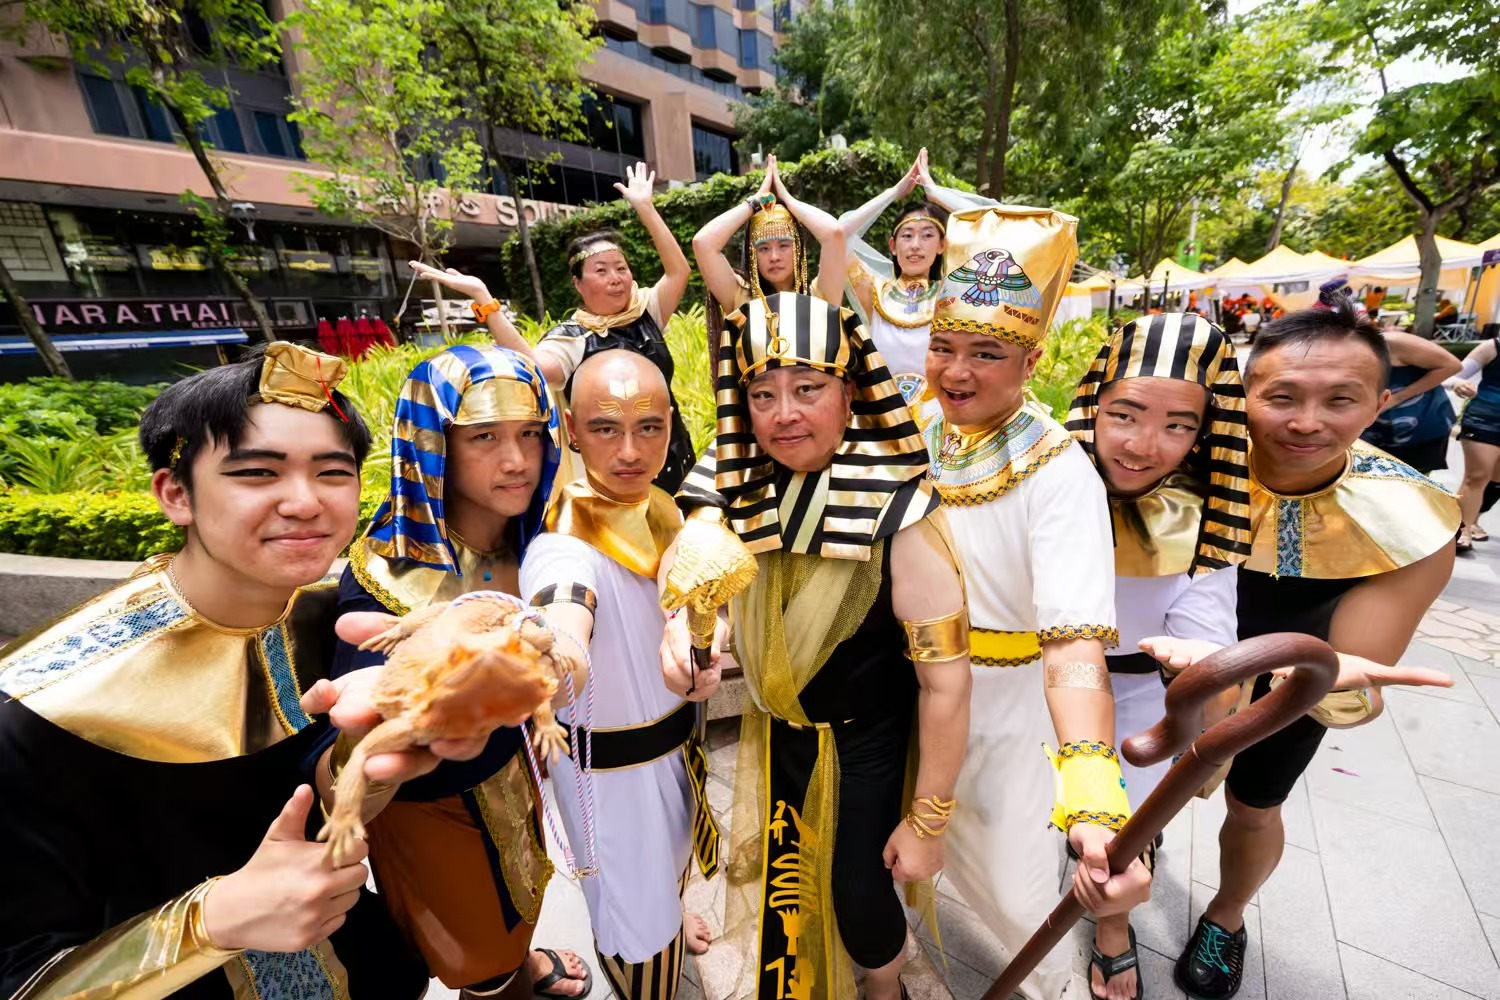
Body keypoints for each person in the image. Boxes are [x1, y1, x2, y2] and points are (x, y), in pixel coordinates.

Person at [0, 344, 436, 998]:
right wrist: (209, 922)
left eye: (332, 472)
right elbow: (25, 979)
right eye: (257, 473)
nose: (305, 502)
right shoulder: (37, 707)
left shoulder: (337, 619)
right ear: (175, 494)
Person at [666, 290, 975, 1000]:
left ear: (850, 393)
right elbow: (694, 563)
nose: (784, 414)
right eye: (763, 394)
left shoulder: (902, 512)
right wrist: (683, 627)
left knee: (858, 895)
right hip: (780, 731)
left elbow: (948, 682)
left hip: (867, 740)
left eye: (808, 389)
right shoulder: (737, 483)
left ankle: (885, 988)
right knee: (789, 879)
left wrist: (928, 820)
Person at [1152, 301, 1458, 1000]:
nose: (1306, 422)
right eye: (1282, 397)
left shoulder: (1413, 520)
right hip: (1157, 653)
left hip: (1289, 690)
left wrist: (1321, 682)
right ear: (1242, 394)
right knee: (1127, 778)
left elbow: (1353, 672)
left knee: (1255, 805)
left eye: (1340, 400)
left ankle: (1227, 917)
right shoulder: (1176, 464)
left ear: (1380, 404)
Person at [911, 205, 1142, 1000]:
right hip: (906, 694)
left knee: (1017, 898)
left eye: (987, 353)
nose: (957, 372)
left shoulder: (1059, 472)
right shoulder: (917, 424)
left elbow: (1074, 643)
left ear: (1032, 359)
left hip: (1005, 710)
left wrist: (1092, 791)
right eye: (943, 346)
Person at [333, 345, 594, 999]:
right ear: (433, 443)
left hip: (520, 776)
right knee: (480, 959)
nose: (517, 460)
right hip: (435, 805)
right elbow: (371, 734)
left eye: (530, 433)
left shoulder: (534, 540)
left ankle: (524, 962)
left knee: (521, 904)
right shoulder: (387, 576)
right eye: (485, 437)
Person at [519, 350, 719, 999]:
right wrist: (559, 648)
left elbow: (690, 595)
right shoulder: (562, 542)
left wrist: (702, 638)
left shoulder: (664, 510)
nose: (630, 451)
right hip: (612, 786)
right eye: (606, 428)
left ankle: (670, 915)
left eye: (648, 427)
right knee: (639, 936)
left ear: (670, 425)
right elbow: (564, 604)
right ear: (572, 430)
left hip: (678, 753)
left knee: (670, 879)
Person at [1065, 313, 1252, 1000]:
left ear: (1205, 433)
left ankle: (1113, 933)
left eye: (1178, 425)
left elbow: (1208, 637)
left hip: (1136, 698)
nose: (1143, 445)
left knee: (1119, 839)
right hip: (1024, 680)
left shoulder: (1207, 514)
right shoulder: (1045, 481)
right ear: (1093, 404)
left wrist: (1201, 665)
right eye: (1125, 414)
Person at [413, 161, 696, 494]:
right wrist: (485, 301)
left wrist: (646, 208)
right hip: (614, 476)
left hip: (671, 457)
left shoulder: (646, 311)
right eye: (601, 270)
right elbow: (532, 367)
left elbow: (679, 272)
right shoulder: (573, 338)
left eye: (621, 268)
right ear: (578, 283)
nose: (616, 278)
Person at [837, 147, 995, 392]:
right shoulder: (874, 291)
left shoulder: (955, 293)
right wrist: (892, 193)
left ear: (942, 245)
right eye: (907, 235)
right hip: (886, 411)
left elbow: (996, 230)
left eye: (927, 235)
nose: (915, 245)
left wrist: (935, 193)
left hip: (942, 411)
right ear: (893, 245)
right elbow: (839, 233)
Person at [692, 153, 846, 333]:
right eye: (764, 248)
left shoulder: (820, 295)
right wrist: (755, 201)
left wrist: (788, 199)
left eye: (783, 245)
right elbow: (703, 243)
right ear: (753, 254)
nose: (774, 257)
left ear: (797, 248)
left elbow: (834, 233)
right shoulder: (740, 298)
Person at [1360, 328, 1460, 473]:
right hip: (1370, 429)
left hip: (1418, 426)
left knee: (1415, 482)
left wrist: (1398, 397)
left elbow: (1451, 365)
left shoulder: (1391, 342)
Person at [1448, 334, 1500, 552]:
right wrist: (1458, 383)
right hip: (1485, 418)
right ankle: (1462, 529)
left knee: (1496, 479)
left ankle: (1473, 518)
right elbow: (1450, 375)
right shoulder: (1492, 346)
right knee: (1477, 476)